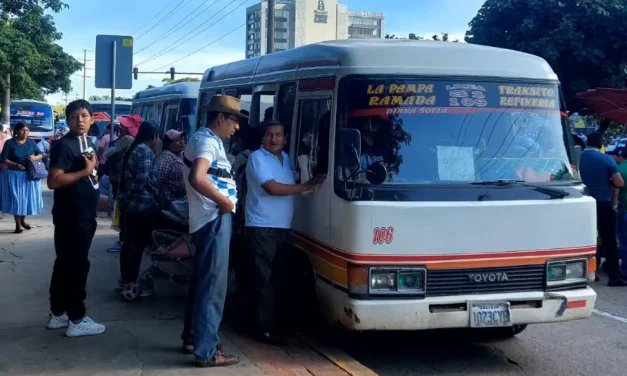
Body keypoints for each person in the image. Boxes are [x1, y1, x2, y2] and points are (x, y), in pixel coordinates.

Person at [244, 120, 324, 344]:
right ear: (263, 138)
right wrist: (306, 186)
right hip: (261, 227)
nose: (274, 139)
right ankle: (263, 331)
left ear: (285, 138)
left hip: (282, 227)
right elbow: (271, 188)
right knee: (264, 281)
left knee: (277, 279)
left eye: (279, 135)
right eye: (270, 134)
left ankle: (270, 325)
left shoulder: (286, 158)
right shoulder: (257, 158)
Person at [181, 95, 244, 368]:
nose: (237, 128)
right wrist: (224, 202)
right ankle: (206, 352)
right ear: (221, 118)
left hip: (207, 219)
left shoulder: (203, 138)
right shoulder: (208, 142)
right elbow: (198, 177)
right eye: (235, 121)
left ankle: (194, 338)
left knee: (202, 282)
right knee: (213, 288)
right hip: (214, 220)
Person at [46, 100, 105, 337]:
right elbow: (54, 181)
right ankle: (77, 319)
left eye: (84, 115)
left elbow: (91, 172)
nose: (79, 120)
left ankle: (58, 314)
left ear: (92, 119)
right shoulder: (65, 145)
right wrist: (84, 172)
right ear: (68, 120)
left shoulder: (87, 143)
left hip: (83, 213)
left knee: (65, 264)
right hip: (72, 216)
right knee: (77, 266)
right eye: (73, 116)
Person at [116, 121, 160, 300]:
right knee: (136, 246)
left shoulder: (134, 148)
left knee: (129, 244)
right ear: (154, 137)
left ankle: (125, 279)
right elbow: (141, 180)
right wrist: (129, 197)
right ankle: (131, 281)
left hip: (133, 206)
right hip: (141, 205)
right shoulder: (145, 151)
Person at [579, 131, 625, 287]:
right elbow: (619, 183)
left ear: (587, 143)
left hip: (581, 202)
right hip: (602, 203)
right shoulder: (605, 159)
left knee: (585, 239)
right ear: (601, 145)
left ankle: (586, 272)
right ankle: (614, 277)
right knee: (609, 239)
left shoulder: (576, 156)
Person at [103, 114, 141, 253]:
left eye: (124, 126)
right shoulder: (135, 140)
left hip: (119, 178)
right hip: (124, 179)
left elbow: (108, 153)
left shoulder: (126, 139)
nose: (121, 128)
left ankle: (122, 240)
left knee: (121, 209)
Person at [0, 122, 45, 233]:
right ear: (16, 131)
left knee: (26, 199)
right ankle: (18, 224)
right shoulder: (9, 143)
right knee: (17, 200)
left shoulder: (31, 142)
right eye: (22, 130)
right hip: (14, 175)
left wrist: (34, 157)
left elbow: (41, 154)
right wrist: (15, 165)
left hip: (29, 175)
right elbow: (4, 159)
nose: (25, 133)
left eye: (27, 130)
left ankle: (23, 220)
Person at [156, 129, 186, 210]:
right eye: (177, 140)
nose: (182, 142)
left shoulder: (182, 155)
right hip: (169, 205)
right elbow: (157, 181)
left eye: (182, 139)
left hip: (180, 204)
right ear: (169, 144)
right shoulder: (166, 157)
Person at [612, 145, 627, 278]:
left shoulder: (618, 169)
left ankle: (625, 271)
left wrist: (613, 206)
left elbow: (616, 191)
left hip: (624, 210)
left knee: (624, 243)